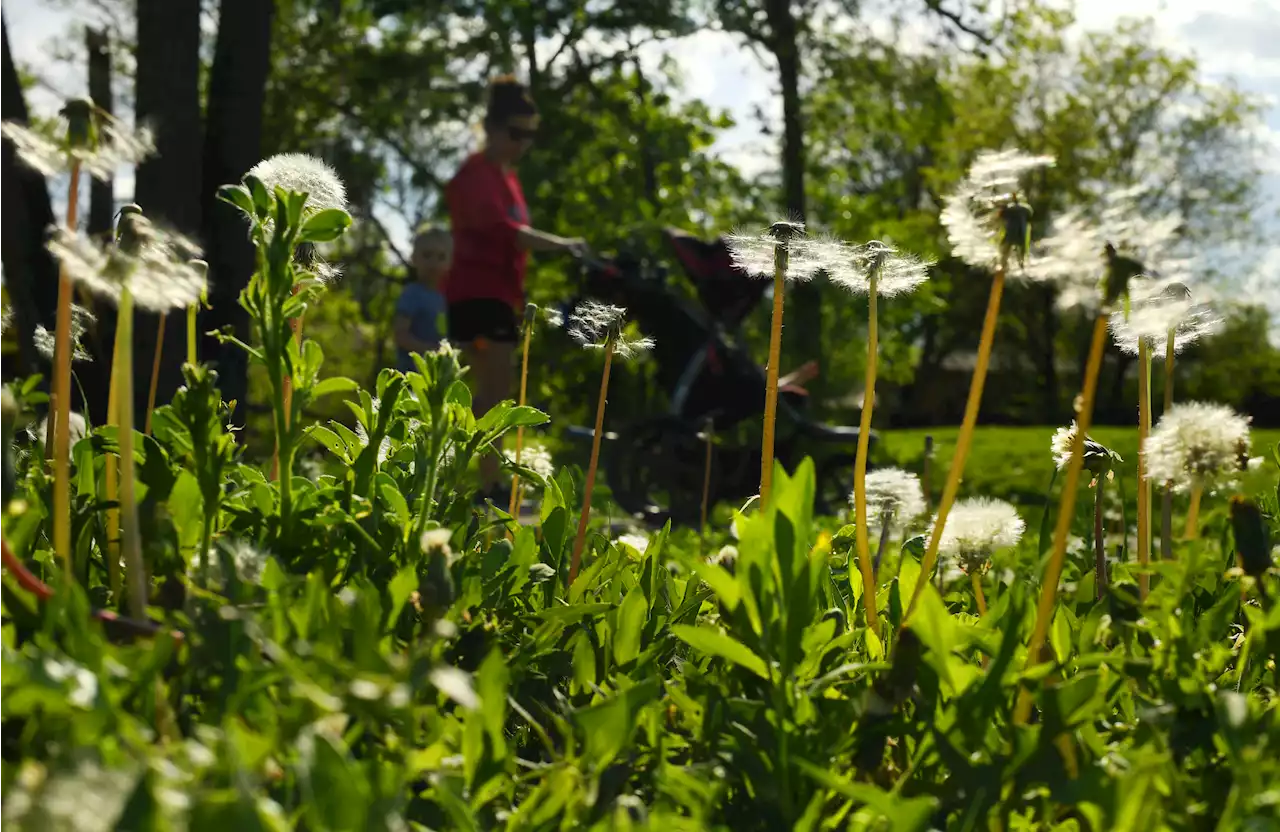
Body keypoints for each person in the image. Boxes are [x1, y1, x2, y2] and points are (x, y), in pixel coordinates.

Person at [444, 75, 585, 500]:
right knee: (486, 392)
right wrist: (561, 245)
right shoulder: (475, 175)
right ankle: (484, 482)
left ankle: (480, 479)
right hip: (477, 295)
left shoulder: (508, 179)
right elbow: (506, 231)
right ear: (491, 128)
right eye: (516, 133)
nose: (524, 143)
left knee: (490, 391)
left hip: (502, 296)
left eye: (531, 135)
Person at [394, 224, 451, 372]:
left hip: (437, 376)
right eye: (427, 255)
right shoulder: (412, 294)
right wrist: (431, 351)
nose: (434, 263)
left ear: (449, 263)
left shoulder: (446, 297)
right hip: (411, 374)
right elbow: (401, 335)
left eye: (441, 257)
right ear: (414, 258)